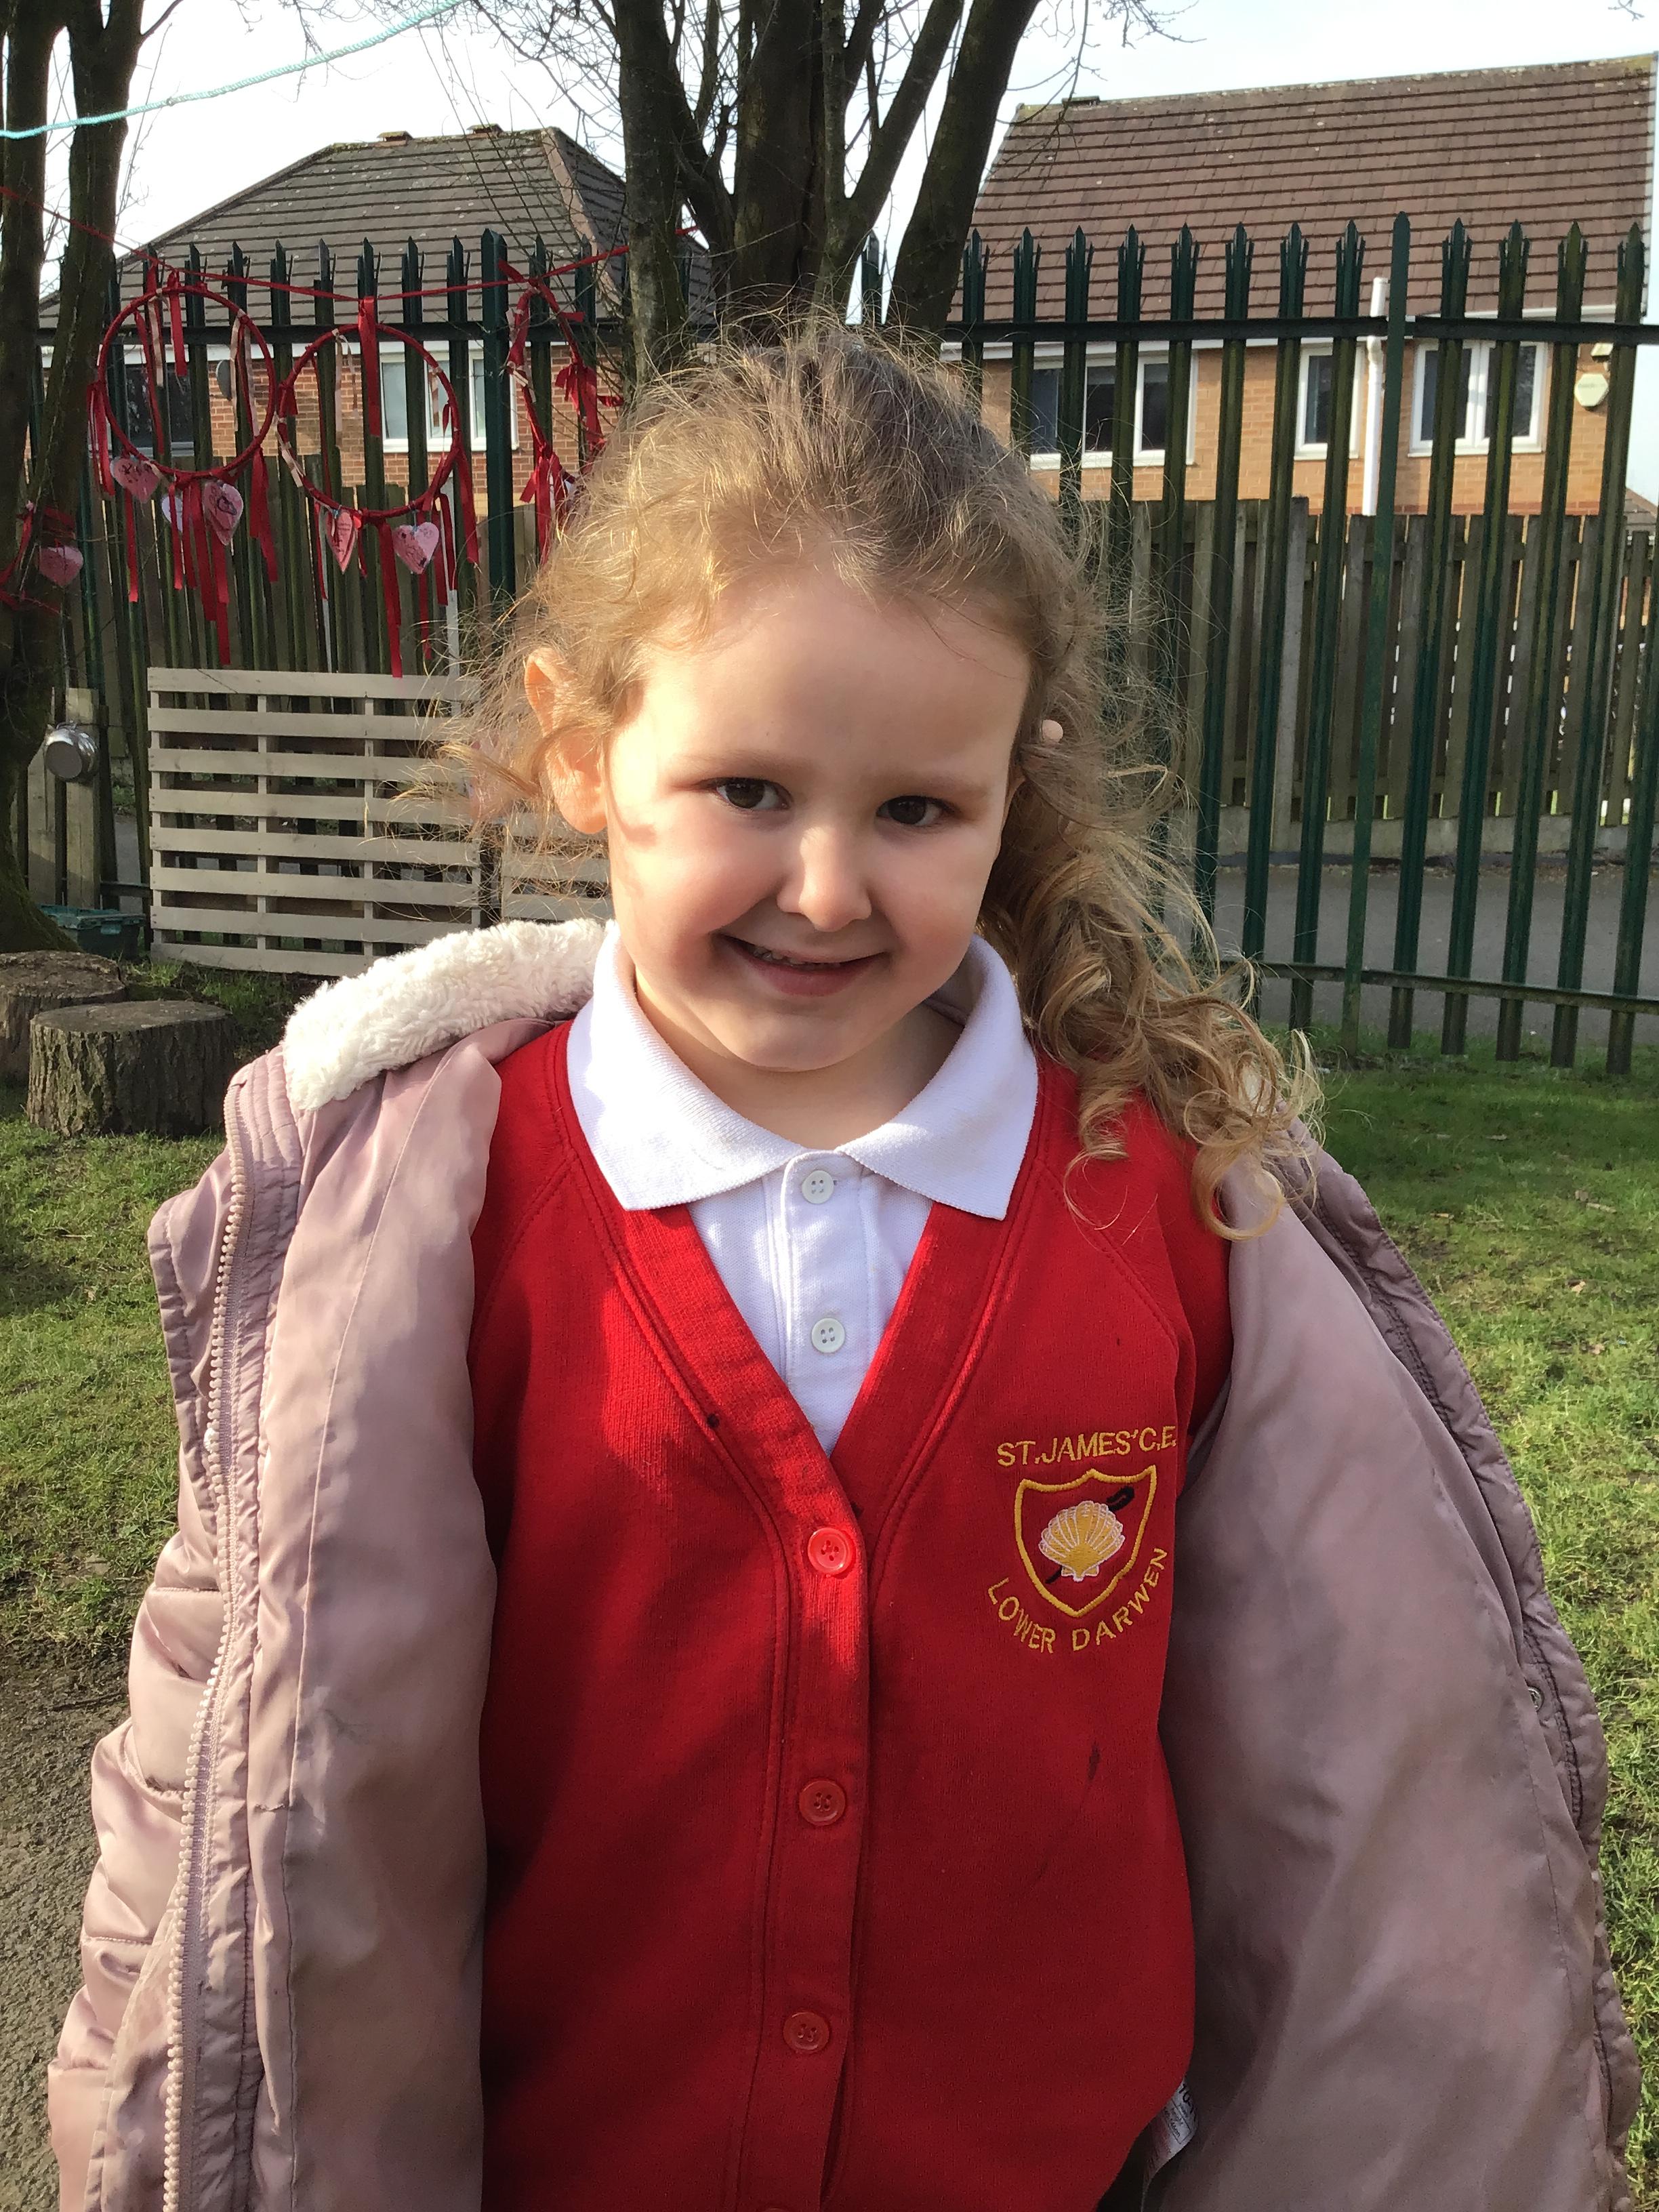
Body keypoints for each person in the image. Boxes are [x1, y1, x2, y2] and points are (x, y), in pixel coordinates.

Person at [51, 324, 1634, 2212]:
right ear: (581, 746)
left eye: (913, 811)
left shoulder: (1163, 1204)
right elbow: (227, 1751)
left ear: (1011, 793)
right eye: (746, 789)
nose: (824, 887)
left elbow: (1332, 1735)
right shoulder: (429, 1227)